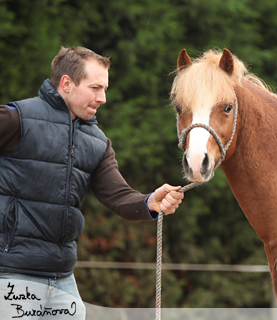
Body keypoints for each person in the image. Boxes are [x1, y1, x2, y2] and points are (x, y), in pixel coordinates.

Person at [0, 46, 184, 319]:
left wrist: (150, 202)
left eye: (105, 88)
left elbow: (118, 196)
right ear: (66, 84)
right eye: (96, 88)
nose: (103, 98)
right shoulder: (16, 119)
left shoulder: (97, 142)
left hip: (63, 279)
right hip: (11, 276)